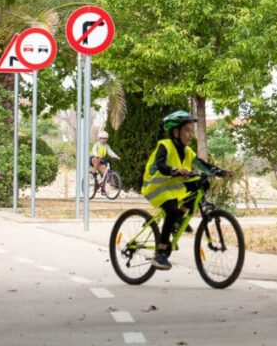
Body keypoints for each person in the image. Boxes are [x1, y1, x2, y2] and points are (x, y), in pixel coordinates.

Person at [142, 110, 231, 270]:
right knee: (171, 210)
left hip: (172, 186)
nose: (191, 135)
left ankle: (179, 218)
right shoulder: (165, 145)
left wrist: (219, 172)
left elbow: (202, 164)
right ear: (176, 132)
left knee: (202, 184)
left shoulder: (187, 151)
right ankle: (160, 254)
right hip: (155, 187)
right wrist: (175, 170)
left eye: (191, 131)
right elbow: (161, 165)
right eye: (187, 130)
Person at [90, 130, 120, 196]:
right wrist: (97, 155)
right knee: (97, 159)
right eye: (102, 138)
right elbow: (94, 151)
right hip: (93, 159)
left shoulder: (107, 146)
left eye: (105, 138)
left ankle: (103, 190)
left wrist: (116, 156)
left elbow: (110, 152)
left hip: (101, 160)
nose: (104, 140)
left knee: (105, 174)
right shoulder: (96, 144)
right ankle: (94, 172)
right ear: (99, 138)